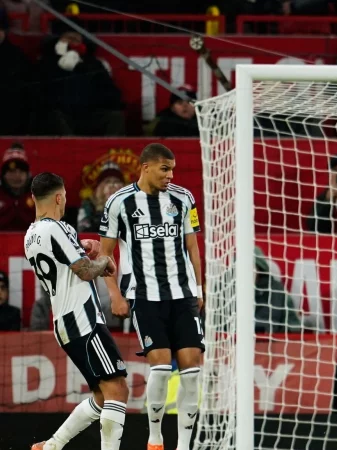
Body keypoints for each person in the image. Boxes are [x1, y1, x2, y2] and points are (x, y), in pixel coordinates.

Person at [98, 143, 204, 450]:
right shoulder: (119, 202)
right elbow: (106, 255)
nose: (170, 175)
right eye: (164, 169)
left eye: (172, 169)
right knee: (159, 368)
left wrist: (198, 288)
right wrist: (115, 296)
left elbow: (193, 248)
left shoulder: (184, 199)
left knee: (192, 371)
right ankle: (155, 437)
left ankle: (184, 445)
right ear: (145, 167)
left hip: (182, 294)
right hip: (144, 296)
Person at [25, 172, 128, 450]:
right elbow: (83, 271)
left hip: (65, 321)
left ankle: (52, 446)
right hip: (82, 319)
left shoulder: (31, 235)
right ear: (60, 197)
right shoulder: (54, 228)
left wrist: (84, 247)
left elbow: (66, 261)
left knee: (102, 396)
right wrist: (104, 261)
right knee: (117, 388)